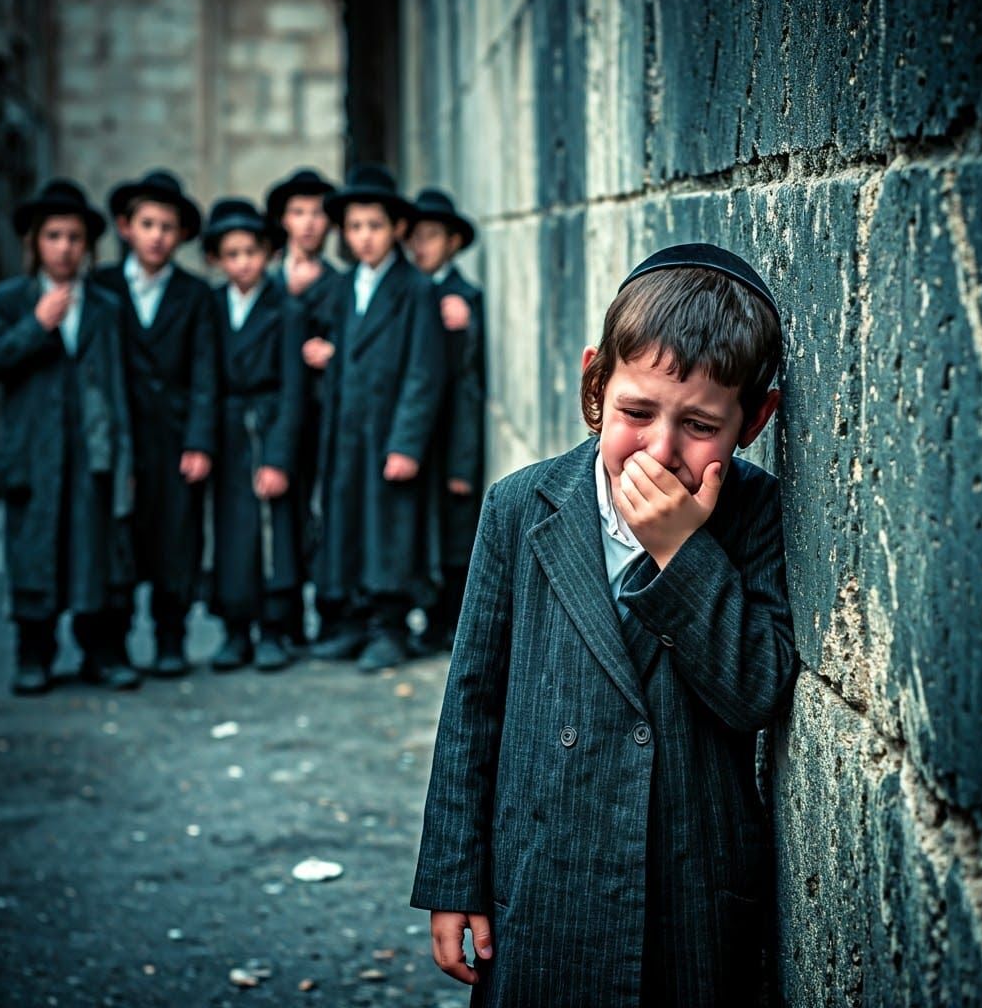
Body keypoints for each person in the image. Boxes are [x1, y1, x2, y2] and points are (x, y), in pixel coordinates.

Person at [411, 243, 799, 1007]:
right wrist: (455, 874)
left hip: (686, 883)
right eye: (635, 412)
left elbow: (756, 688)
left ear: (754, 420)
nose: (660, 449)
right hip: (544, 872)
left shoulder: (754, 515)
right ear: (596, 382)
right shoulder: (522, 506)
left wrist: (681, 551)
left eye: (699, 425)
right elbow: (473, 701)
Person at [0, 179, 139, 694]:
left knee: (95, 551)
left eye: (74, 238)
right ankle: (35, 654)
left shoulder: (104, 307)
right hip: (35, 450)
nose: (65, 247)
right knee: (35, 551)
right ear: (36, 244)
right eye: (54, 236)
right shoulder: (11, 300)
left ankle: (101, 650)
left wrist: (120, 455)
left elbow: (116, 385)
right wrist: (35, 325)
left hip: (89, 450)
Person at [311, 163, 445, 672]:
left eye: (374, 226)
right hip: (348, 429)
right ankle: (354, 619)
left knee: (389, 525)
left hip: (388, 430)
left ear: (397, 229)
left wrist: (406, 443)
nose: (364, 237)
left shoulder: (416, 289)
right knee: (347, 520)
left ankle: (390, 626)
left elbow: (423, 373)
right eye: (354, 227)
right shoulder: (344, 289)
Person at [94, 170, 217, 677]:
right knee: (117, 537)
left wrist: (199, 440)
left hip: (173, 438)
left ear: (181, 235)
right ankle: (114, 644)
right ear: (125, 227)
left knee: (175, 539)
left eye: (168, 226)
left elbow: (206, 372)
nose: (157, 236)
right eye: (147, 223)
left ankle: (171, 638)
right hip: (120, 436)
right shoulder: (101, 289)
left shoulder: (194, 294)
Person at [203, 198, 305, 672]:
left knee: (272, 533)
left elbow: (293, 389)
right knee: (230, 533)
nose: (243, 262)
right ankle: (234, 629)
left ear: (268, 255)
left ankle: (273, 629)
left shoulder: (286, 309)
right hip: (227, 434)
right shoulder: (212, 307)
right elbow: (203, 379)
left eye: (251, 252)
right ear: (217, 260)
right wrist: (200, 443)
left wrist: (279, 457)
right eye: (232, 253)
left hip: (267, 428)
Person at [406, 188, 485, 655]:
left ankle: (451, 621)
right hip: (418, 434)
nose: (421, 247)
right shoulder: (409, 296)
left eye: (431, 236)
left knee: (457, 530)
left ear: (452, 241)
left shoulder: (464, 297)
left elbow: (471, 385)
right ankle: (429, 616)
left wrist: (468, 326)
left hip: (451, 433)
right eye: (414, 237)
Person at [264, 168, 340, 648]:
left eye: (316, 212)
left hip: (324, 416)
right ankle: (282, 616)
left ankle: (329, 612)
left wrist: (333, 355)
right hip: (273, 417)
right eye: (297, 212)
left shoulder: (339, 283)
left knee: (323, 510)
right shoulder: (266, 279)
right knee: (279, 513)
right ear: (282, 219)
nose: (308, 223)